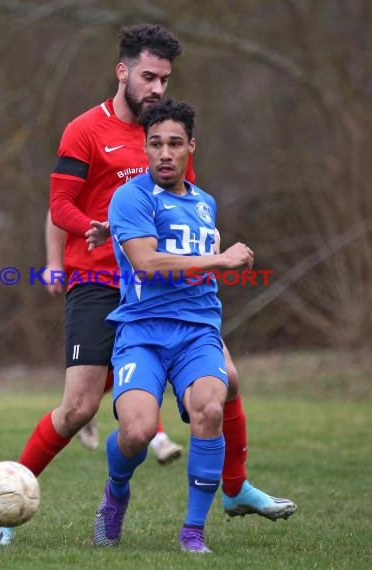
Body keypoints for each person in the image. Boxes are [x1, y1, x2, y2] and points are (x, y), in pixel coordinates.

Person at [0, 24, 295, 546]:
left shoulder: (167, 133)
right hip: (100, 277)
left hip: (165, 288)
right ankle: (7, 495)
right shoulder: (84, 129)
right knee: (79, 407)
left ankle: (235, 489)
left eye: (165, 78)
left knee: (229, 380)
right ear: (122, 71)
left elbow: (186, 204)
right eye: (148, 76)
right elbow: (59, 204)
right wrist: (86, 233)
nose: (157, 88)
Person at [93, 98, 255, 553]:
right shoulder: (129, 196)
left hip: (197, 333)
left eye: (175, 144)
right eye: (156, 144)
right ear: (144, 148)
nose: (165, 153)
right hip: (142, 331)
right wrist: (220, 258)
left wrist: (217, 256)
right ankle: (116, 492)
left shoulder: (206, 204)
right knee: (138, 432)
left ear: (191, 148)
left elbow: (197, 254)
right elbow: (145, 263)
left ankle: (193, 531)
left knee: (209, 407)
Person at [41, 213, 184, 463]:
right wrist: (54, 263)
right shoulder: (88, 176)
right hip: (96, 283)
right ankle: (93, 413)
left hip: (145, 280)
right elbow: (57, 209)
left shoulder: (164, 175)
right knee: (91, 387)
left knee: (143, 360)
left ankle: (158, 438)